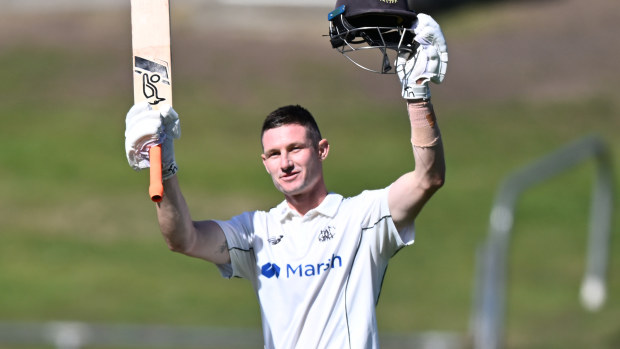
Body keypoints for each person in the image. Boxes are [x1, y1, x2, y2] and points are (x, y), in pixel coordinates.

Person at [124, 3, 448, 348]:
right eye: (275, 154)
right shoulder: (255, 233)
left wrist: (417, 97)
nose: (286, 163)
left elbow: (428, 178)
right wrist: (164, 166)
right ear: (265, 162)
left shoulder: (363, 219)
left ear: (322, 150)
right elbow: (182, 239)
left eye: (296, 149)